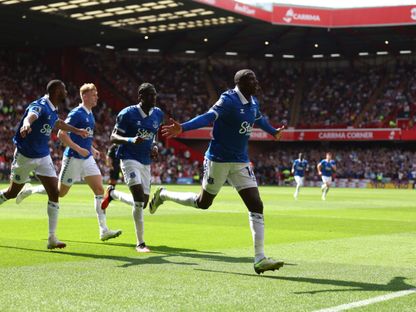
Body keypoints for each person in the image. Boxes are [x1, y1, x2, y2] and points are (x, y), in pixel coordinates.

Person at [149, 69, 285, 274]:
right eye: (251, 80)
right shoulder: (228, 99)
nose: (256, 82)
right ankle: (164, 194)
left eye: (256, 79)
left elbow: (258, 119)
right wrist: (183, 128)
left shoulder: (253, 102)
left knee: (256, 204)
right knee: (203, 203)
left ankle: (259, 258)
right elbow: (208, 117)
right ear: (239, 83)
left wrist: (273, 132)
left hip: (240, 161)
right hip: (218, 160)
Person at [16, 83, 122, 241]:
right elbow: (61, 134)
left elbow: (84, 137)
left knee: (99, 190)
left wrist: (91, 149)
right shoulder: (77, 113)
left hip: (86, 159)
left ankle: (103, 230)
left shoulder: (90, 114)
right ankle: (30, 190)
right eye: (94, 94)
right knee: (60, 193)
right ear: (85, 96)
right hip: (73, 157)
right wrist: (79, 149)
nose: (97, 97)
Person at [0, 80, 88, 249]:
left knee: (54, 193)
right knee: (11, 193)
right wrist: (26, 124)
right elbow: (31, 115)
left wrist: (77, 131)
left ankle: (52, 238)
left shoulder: (53, 109)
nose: (66, 93)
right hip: (25, 156)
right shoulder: (40, 104)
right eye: (63, 90)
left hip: (43, 156)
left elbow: (57, 123)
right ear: (55, 91)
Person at [101, 83, 163, 253]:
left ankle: (113, 193)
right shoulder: (127, 114)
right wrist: (129, 140)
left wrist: (155, 146)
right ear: (140, 97)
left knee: (142, 203)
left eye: (155, 95)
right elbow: (113, 137)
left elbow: (154, 133)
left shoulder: (158, 114)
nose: (154, 98)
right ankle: (140, 243)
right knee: (138, 199)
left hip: (145, 161)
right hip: (129, 158)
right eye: (150, 95)